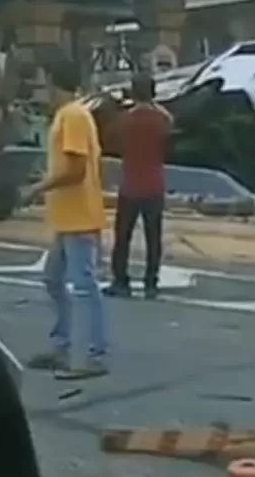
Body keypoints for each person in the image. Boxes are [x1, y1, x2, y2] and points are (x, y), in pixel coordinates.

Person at [20, 55, 109, 379]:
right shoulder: (70, 114)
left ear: (54, 82)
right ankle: (63, 345)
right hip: (68, 218)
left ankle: (92, 357)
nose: (40, 90)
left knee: (84, 287)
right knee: (53, 279)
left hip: (79, 218)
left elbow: (75, 170)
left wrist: (36, 189)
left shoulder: (72, 116)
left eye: (43, 82)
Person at [104, 71, 172, 300]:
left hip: (130, 185)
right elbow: (170, 131)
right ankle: (151, 283)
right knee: (154, 237)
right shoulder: (162, 118)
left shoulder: (125, 119)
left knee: (123, 235)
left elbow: (110, 138)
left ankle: (121, 281)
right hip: (154, 185)